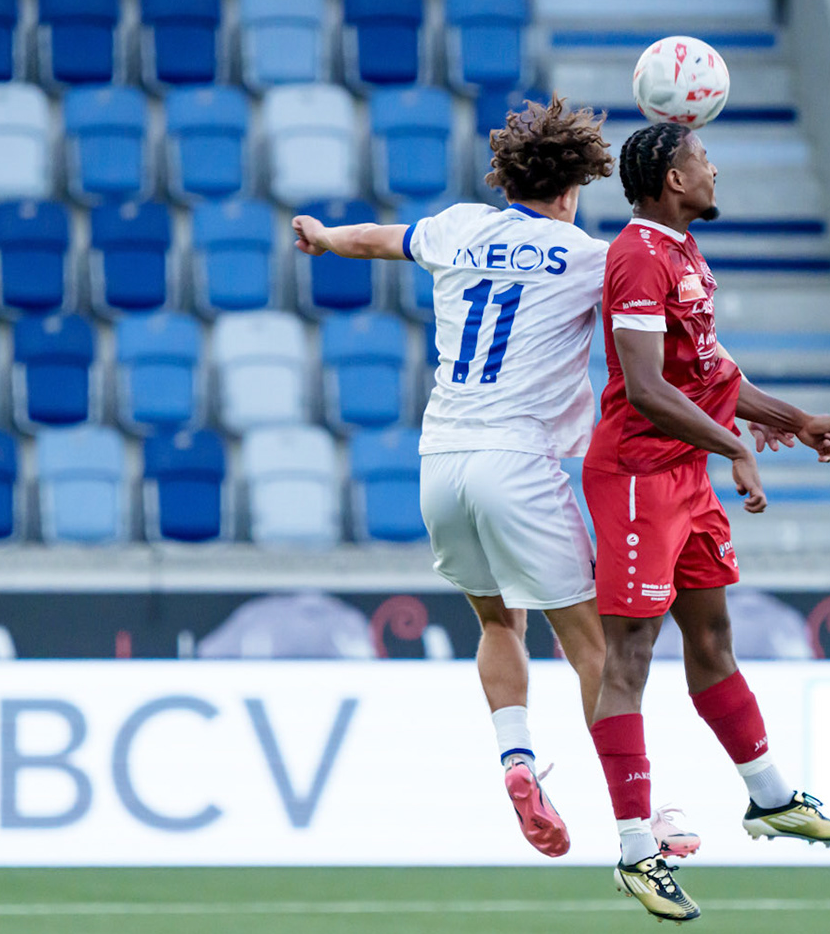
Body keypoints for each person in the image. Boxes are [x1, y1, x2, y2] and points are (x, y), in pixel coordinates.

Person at [290, 97, 698, 861]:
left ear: (508, 178)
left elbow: (376, 239)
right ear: (576, 186)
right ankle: (640, 821)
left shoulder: (456, 227)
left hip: (441, 460)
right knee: (595, 649)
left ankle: (516, 759)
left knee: (497, 622)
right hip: (522, 461)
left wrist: (321, 237)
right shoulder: (589, 258)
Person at [581, 122, 830, 922]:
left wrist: (794, 419)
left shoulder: (685, 253)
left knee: (712, 639)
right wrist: (736, 444)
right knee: (629, 656)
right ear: (671, 177)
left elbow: (709, 372)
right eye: (701, 160)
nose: (712, 170)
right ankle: (637, 850)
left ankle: (769, 799)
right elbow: (642, 388)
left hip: (685, 479)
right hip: (637, 477)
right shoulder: (636, 254)